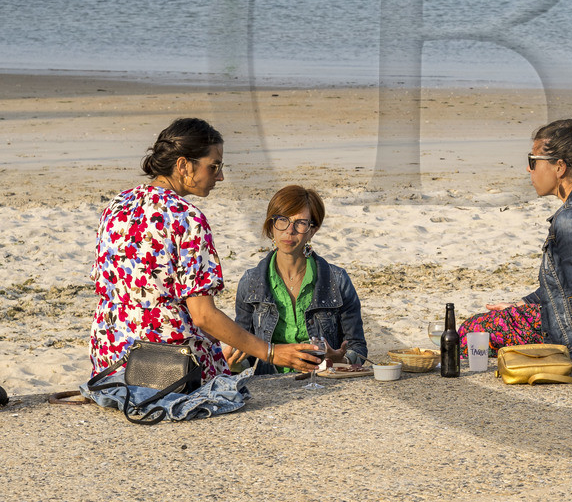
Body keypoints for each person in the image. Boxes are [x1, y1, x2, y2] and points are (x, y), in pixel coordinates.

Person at [89, 118, 323, 389]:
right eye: (214, 167)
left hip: (110, 356)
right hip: (167, 365)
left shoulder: (118, 205)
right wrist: (271, 352)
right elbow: (203, 316)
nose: (220, 176)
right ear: (183, 165)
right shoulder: (187, 218)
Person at [458, 107, 572, 380]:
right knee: (506, 317)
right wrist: (522, 303)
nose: (528, 168)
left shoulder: (571, 217)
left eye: (533, 160)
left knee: (469, 331)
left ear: (559, 167)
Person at [228, 185, 368, 374]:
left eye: (300, 222)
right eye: (282, 220)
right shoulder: (250, 282)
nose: (289, 230)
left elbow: (358, 347)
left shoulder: (338, 281)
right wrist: (234, 364)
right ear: (271, 225)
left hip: (323, 383)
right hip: (271, 387)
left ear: (313, 230)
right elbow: (247, 353)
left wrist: (341, 359)